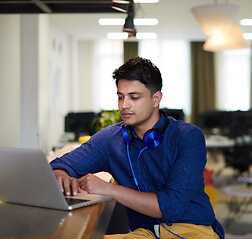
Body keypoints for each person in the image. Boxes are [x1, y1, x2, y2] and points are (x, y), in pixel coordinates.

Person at [50, 57, 224, 239]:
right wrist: (63, 178)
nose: (124, 105)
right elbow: (58, 165)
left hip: (194, 230)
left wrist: (109, 190)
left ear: (156, 99)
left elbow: (171, 206)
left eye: (134, 97)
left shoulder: (188, 136)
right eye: (120, 97)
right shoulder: (111, 138)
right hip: (146, 233)